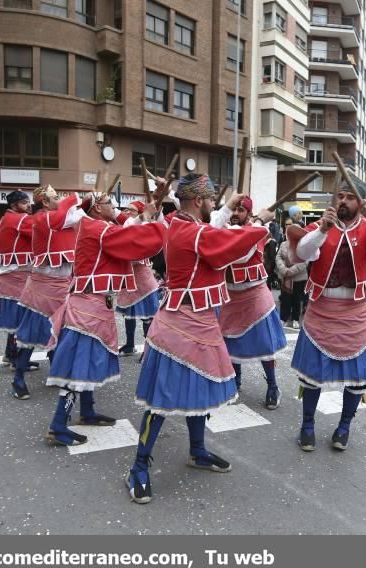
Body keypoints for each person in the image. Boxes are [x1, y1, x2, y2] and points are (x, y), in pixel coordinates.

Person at [127, 174, 273, 505]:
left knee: (199, 389)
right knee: (161, 399)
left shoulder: (179, 224)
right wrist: (259, 223)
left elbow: (214, 230)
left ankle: (197, 450)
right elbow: (225, 245)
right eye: (210, 200)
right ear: (197, 200)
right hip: (180, 322)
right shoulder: (191, 231)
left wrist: (228, 212)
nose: (214, 205)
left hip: (201, 318)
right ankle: (138, 467)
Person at [46, 192, 165, 447]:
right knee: (78, 365)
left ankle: (87, 411)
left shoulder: (96, 226)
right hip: (89, 306)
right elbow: (130, 239)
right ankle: (58, 424)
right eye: (110, 203)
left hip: (95, 303)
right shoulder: (97, 228)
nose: (116, 207)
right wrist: (149, 219)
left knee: (85, 362)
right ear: (98, 207)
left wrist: (146, 215)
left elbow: (125, 231)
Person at [290, 182, 366, 453]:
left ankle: (345, 426)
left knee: (358, 378)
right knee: (312, 376)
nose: (344, 201)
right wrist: (323, 229)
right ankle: (308, 426)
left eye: (351, 197)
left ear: (360, 202)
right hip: (321, 310)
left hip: (357, 313)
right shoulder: (320, 226)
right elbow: (303, 252)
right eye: (341, 196)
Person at [12, 186, 84, 400]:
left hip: (63, 284)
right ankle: (17, 379)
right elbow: (64, 216)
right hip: (42, 287)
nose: (60, 200)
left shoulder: (60, 217)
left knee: (59, 330)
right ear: (44, 202)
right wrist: (75, 197)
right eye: (55, 198)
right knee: (32, 333)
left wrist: (90, 201)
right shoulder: (42, 218)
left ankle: (57, 372)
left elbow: (77, 216)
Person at [216, 194, 288, 409]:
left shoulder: (257, 232)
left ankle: (273, 386)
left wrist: (259, 222)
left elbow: (241, 253)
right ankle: (235, 383)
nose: (236, 214)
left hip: (254, 293)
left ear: (248, 213)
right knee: (230, 342)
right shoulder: (225, 228)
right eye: (234, 209)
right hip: (230, 295)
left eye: (241, 210)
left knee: (265, 344)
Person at [0, 191, 35, 369]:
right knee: (23, 318)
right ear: (14, 205)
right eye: (24, 203)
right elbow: (43, 231)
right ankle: (16, 358)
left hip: (11, 274)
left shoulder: (6, 219)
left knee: (18, 318)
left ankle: (11, 355)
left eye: (28, 202)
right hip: (17, 275)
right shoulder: (20, 220)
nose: (28, 205)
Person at [117, 200, 162, 357]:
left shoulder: (145, 230)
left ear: (141, 213)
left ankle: (148, 348)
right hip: (129, 278)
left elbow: (135, 254)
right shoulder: (129, 226)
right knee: (129, 314)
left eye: (132, 210)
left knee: (146, 316)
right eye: (127, 210)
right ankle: (129, 345)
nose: (128, 213)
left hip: (143, 281)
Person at [275, 237, 308, 329]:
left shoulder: (304, 245)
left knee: (297, 299)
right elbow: (278, 257)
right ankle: (283, 318)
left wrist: (291, 271)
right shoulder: (283, 244)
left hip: (299, 276)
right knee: (285, 298)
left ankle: (295, 319)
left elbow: (305, 261)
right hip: (285, 276)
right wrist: (283, 269)